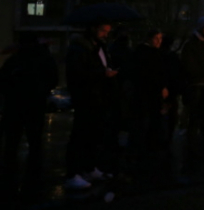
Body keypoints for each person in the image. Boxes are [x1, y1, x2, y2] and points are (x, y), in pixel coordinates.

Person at [0, 32, 58, 200]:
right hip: (33, 107)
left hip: (16, 108)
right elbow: (52, 80)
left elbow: (2, 81)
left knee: (13, 144)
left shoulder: (15, 61)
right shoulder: (44, 59)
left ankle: (10, 177)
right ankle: (32, 177)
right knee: (34, 143)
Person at [64, 22, 118, 190]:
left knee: (94, 135)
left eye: (108, 32)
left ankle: (89, 168)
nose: (106, 35)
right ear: (93, 29)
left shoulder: (100, 47)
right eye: (103, 31)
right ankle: (73, 174)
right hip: (86, 98)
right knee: (80, 136)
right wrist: (103, 73)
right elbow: (78, 73)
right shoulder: (80, 49)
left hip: (99, 97)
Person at [126, 29, 169, 164]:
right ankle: (142, 152)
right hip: (146, 94)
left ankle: (147, 150)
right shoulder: (144, 54)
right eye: (156, 38)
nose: (159, 41)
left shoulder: (151, 53)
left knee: (150, 123)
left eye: (160, 38)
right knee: (144, 123)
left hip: (151, 93)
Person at [180, 16, 204, 157]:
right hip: (197, 84)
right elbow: (189, 65)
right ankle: (192, 148)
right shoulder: (191, 45)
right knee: (195, 117)